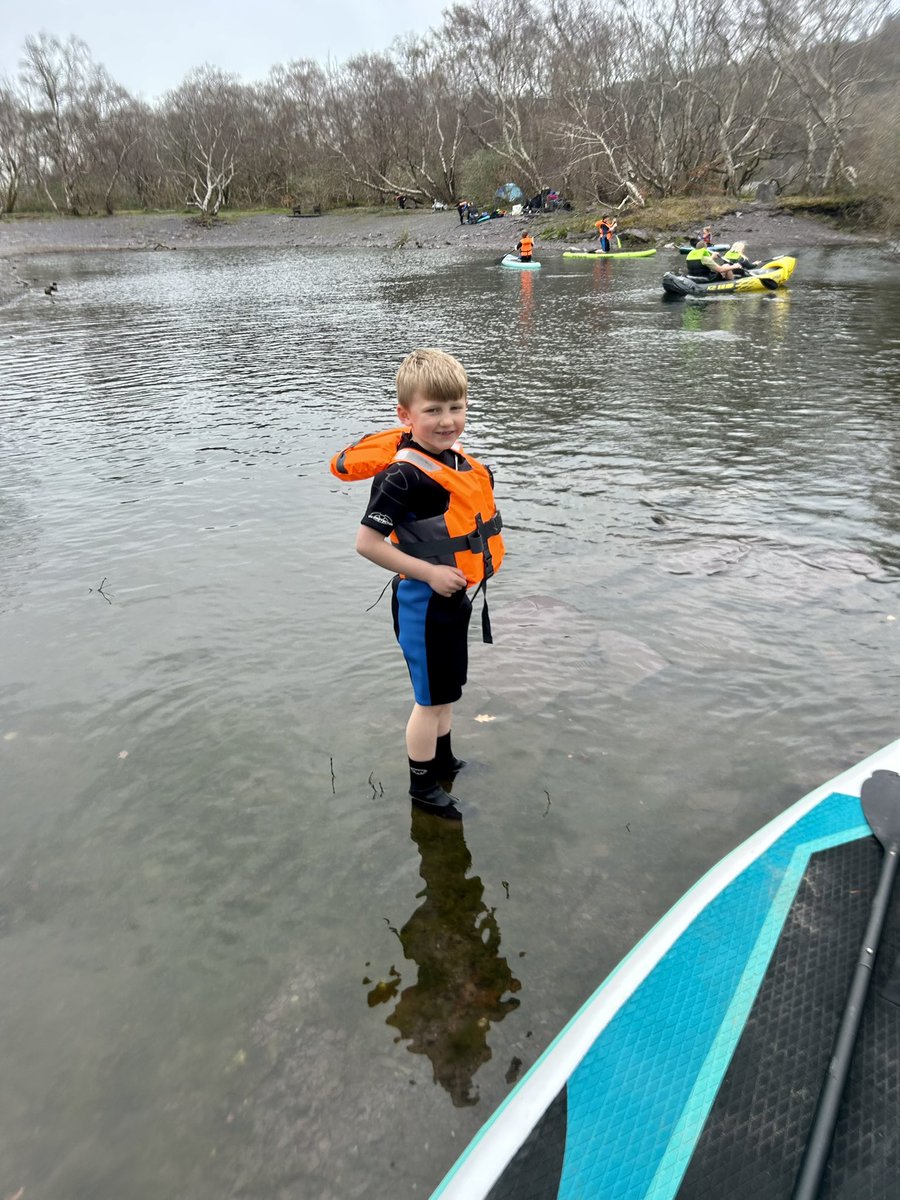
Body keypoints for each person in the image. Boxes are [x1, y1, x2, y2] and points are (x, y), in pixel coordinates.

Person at [331, 348, 504, 820]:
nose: (447, 421)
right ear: (405, 415)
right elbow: (367, 543)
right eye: (433, 411)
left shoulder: (453, 461)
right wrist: (428, 572)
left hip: (453, 597)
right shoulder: (402, 478)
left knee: (446, 691)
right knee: (428, 701)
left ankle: (443, 761)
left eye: (456, 408)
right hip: (422, 602)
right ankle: (422, 788)